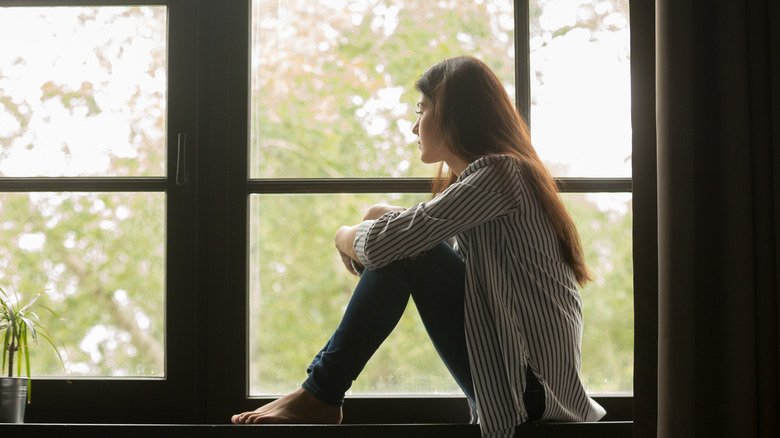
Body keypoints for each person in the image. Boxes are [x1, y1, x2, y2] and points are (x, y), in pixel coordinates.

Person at [231, 55, 606, 437]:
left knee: (406, 249)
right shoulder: (500, 182)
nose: (414, 126)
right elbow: (419, 236)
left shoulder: (501, 173)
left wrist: (342, 235)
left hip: (531, 395)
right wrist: (379, 214)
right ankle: (318, 394)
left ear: (455, 114)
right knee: (405, 243)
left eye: (422, 110)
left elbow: (392, 245)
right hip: (524, 389)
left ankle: (320, 394)